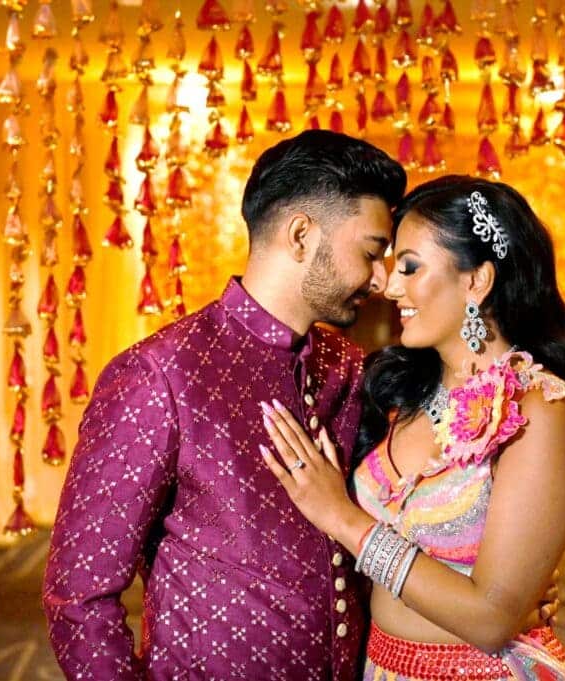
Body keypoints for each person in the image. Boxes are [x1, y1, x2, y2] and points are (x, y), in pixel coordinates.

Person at [42, 130, 406, 680]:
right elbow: (80, 595)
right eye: (372, 251)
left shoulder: (346, 367)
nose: (381, 279)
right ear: (302, 235)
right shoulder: (161, 374)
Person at [260, 175, 565, 681]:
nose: (389, 286)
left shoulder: (541, 411)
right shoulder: (402, 393)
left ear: (477, 280)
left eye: (409, 267)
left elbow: (492, 618)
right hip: (381, 666)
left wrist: (340, 516)